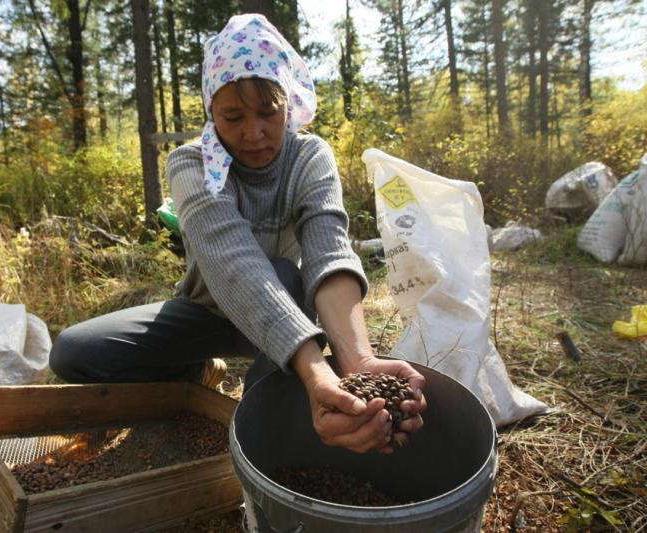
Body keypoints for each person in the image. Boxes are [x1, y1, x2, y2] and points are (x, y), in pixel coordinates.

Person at [50, 13, 426, 454]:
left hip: (286, 313)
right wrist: (315, 369)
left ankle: (259, 426)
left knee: (285, 273)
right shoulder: (192, 164)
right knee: (73, 352)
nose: (254, 133)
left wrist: (354, 361)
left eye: (269, 112)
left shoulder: (309, 157)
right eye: (233, 117)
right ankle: (192, 373)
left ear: (289, 102)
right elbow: (232, 262)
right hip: (203, 311)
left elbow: (329, 253)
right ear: (211, 111)